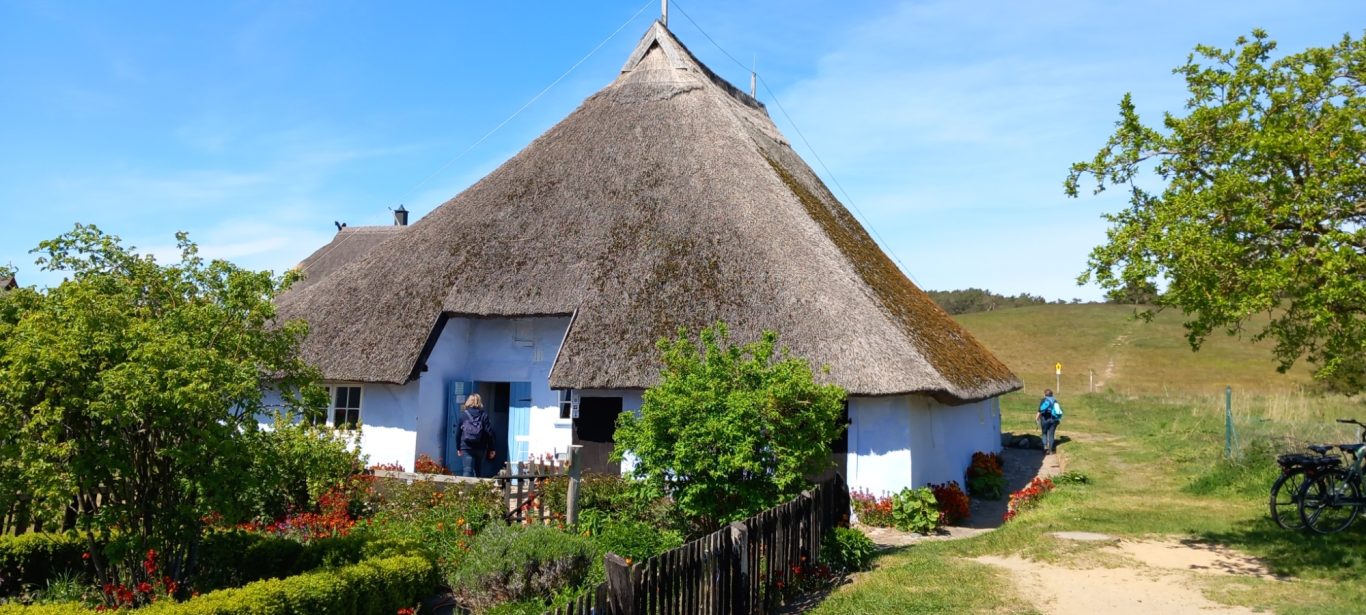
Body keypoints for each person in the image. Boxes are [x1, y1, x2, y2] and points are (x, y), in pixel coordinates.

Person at [455, 394, 497, 477]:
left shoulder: (463, 415)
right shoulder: (484, 415)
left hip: (466, 447)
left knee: (467, 470)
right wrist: (492, 448)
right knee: (478, 470)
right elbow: (489, 433)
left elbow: (458, 433)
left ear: (468, 401)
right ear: (479, 402)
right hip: (480, 447)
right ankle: (478, 485)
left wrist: (458, 448)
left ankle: (466, 486)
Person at [1038, 389, 1062, 455]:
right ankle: (1051, 450)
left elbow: (1039, 410)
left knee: (1044, 433)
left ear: (1044, 394)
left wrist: (1037, 417)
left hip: (1044, 419)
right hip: (1053, 420)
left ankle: (1045, 447)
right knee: (1051, 435)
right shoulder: (1055, 401)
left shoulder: (1043, 400)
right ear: (1052, 394)